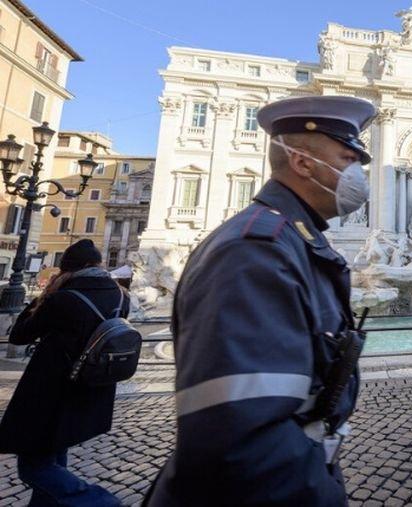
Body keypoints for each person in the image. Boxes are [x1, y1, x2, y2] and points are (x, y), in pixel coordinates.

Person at [145, 95, 377, 506]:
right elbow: (242, 436)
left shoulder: (294, 240)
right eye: (347, 159)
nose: (357, 174)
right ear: (303, 163)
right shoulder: (255, 251)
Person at [0, 239, 128, 506]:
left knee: (34, 466)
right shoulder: (120, 296)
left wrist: (42, 297)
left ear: (67, 268)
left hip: (50, 392)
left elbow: (19, 334)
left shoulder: (63, 299)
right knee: (55, 452)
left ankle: (100, 502)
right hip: (89, 389)